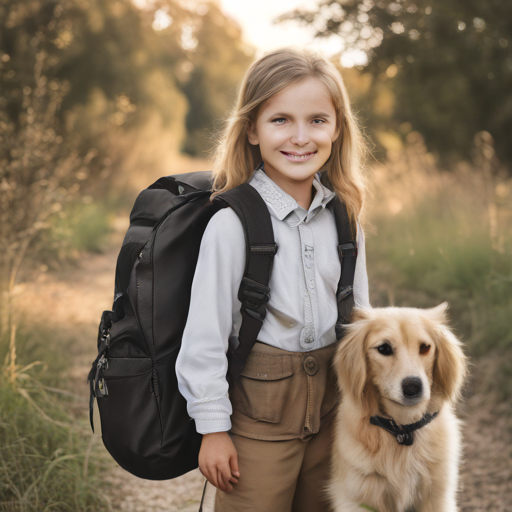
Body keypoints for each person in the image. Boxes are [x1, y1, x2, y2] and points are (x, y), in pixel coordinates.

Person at [175, 47, 371, 512]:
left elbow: (360, 322)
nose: (300, 137)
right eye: (280, 120)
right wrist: (213, 430)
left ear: (338, 127)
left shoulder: (346, 220)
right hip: (256, 422)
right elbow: (204, 336)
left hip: (332, 415)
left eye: (317, 120)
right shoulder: (232, 223)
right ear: (251, 131)